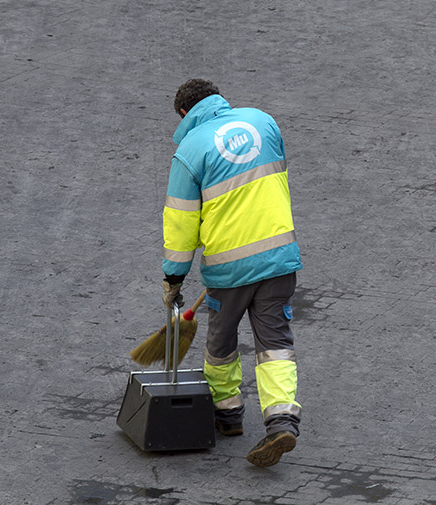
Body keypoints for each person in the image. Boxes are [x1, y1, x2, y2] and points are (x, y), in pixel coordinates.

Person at [161, 78, 303, 467]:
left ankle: (228, 416)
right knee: (275, 341)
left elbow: (181, 223)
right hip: (278, 257)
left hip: (230, 268)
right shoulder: (263, 122)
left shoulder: (189, 151)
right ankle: (281, 422)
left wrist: (173, 279)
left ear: (185, 114)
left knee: (221, 344)